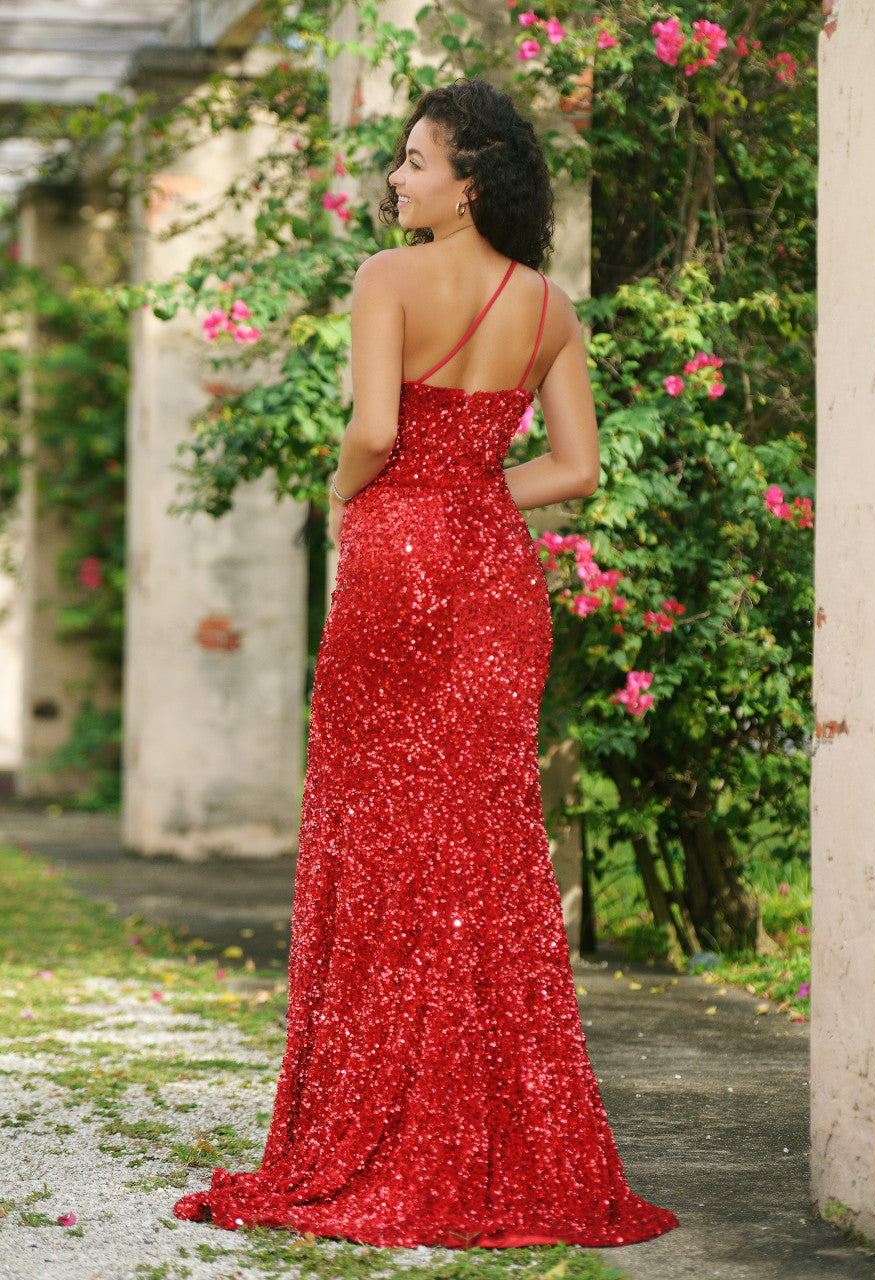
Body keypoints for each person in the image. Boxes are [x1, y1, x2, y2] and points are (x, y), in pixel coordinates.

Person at [174, 77, 677, 1250]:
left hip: (396, 559)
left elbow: (373, 431)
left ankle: (381, 1127)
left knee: (380, 835)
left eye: (414, 160)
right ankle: (495, 1135)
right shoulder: (548, 305)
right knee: (487, 844)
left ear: (470, 184)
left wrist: (348, 495)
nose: (394, 178)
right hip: (495, 575)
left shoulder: (385, 279)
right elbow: (578, 468)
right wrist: (475, 498)